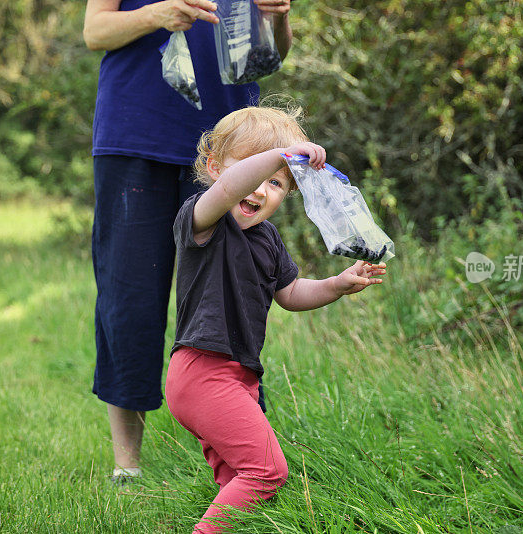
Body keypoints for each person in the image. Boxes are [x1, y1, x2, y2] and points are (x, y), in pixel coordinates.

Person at [82, 0, 294, 482]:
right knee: (129, 296)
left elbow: (270, 57)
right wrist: (157, 15)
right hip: (134, 136)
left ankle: (245, 458)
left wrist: (278, 18)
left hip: (233, 146)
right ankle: (127, 467)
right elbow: (96, 31)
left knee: (232, 293)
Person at [165, 106, 387, 533]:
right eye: (255, 172)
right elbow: (233, 187)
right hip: (202, 371)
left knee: (239, 481)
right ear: (214, 167)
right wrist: (282, 155)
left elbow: (290, 294)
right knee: (267, 471)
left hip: (239, 375)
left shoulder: (268, 240)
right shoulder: (201, 220)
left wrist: (337, 284)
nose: (261, 188)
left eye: (277, 183)